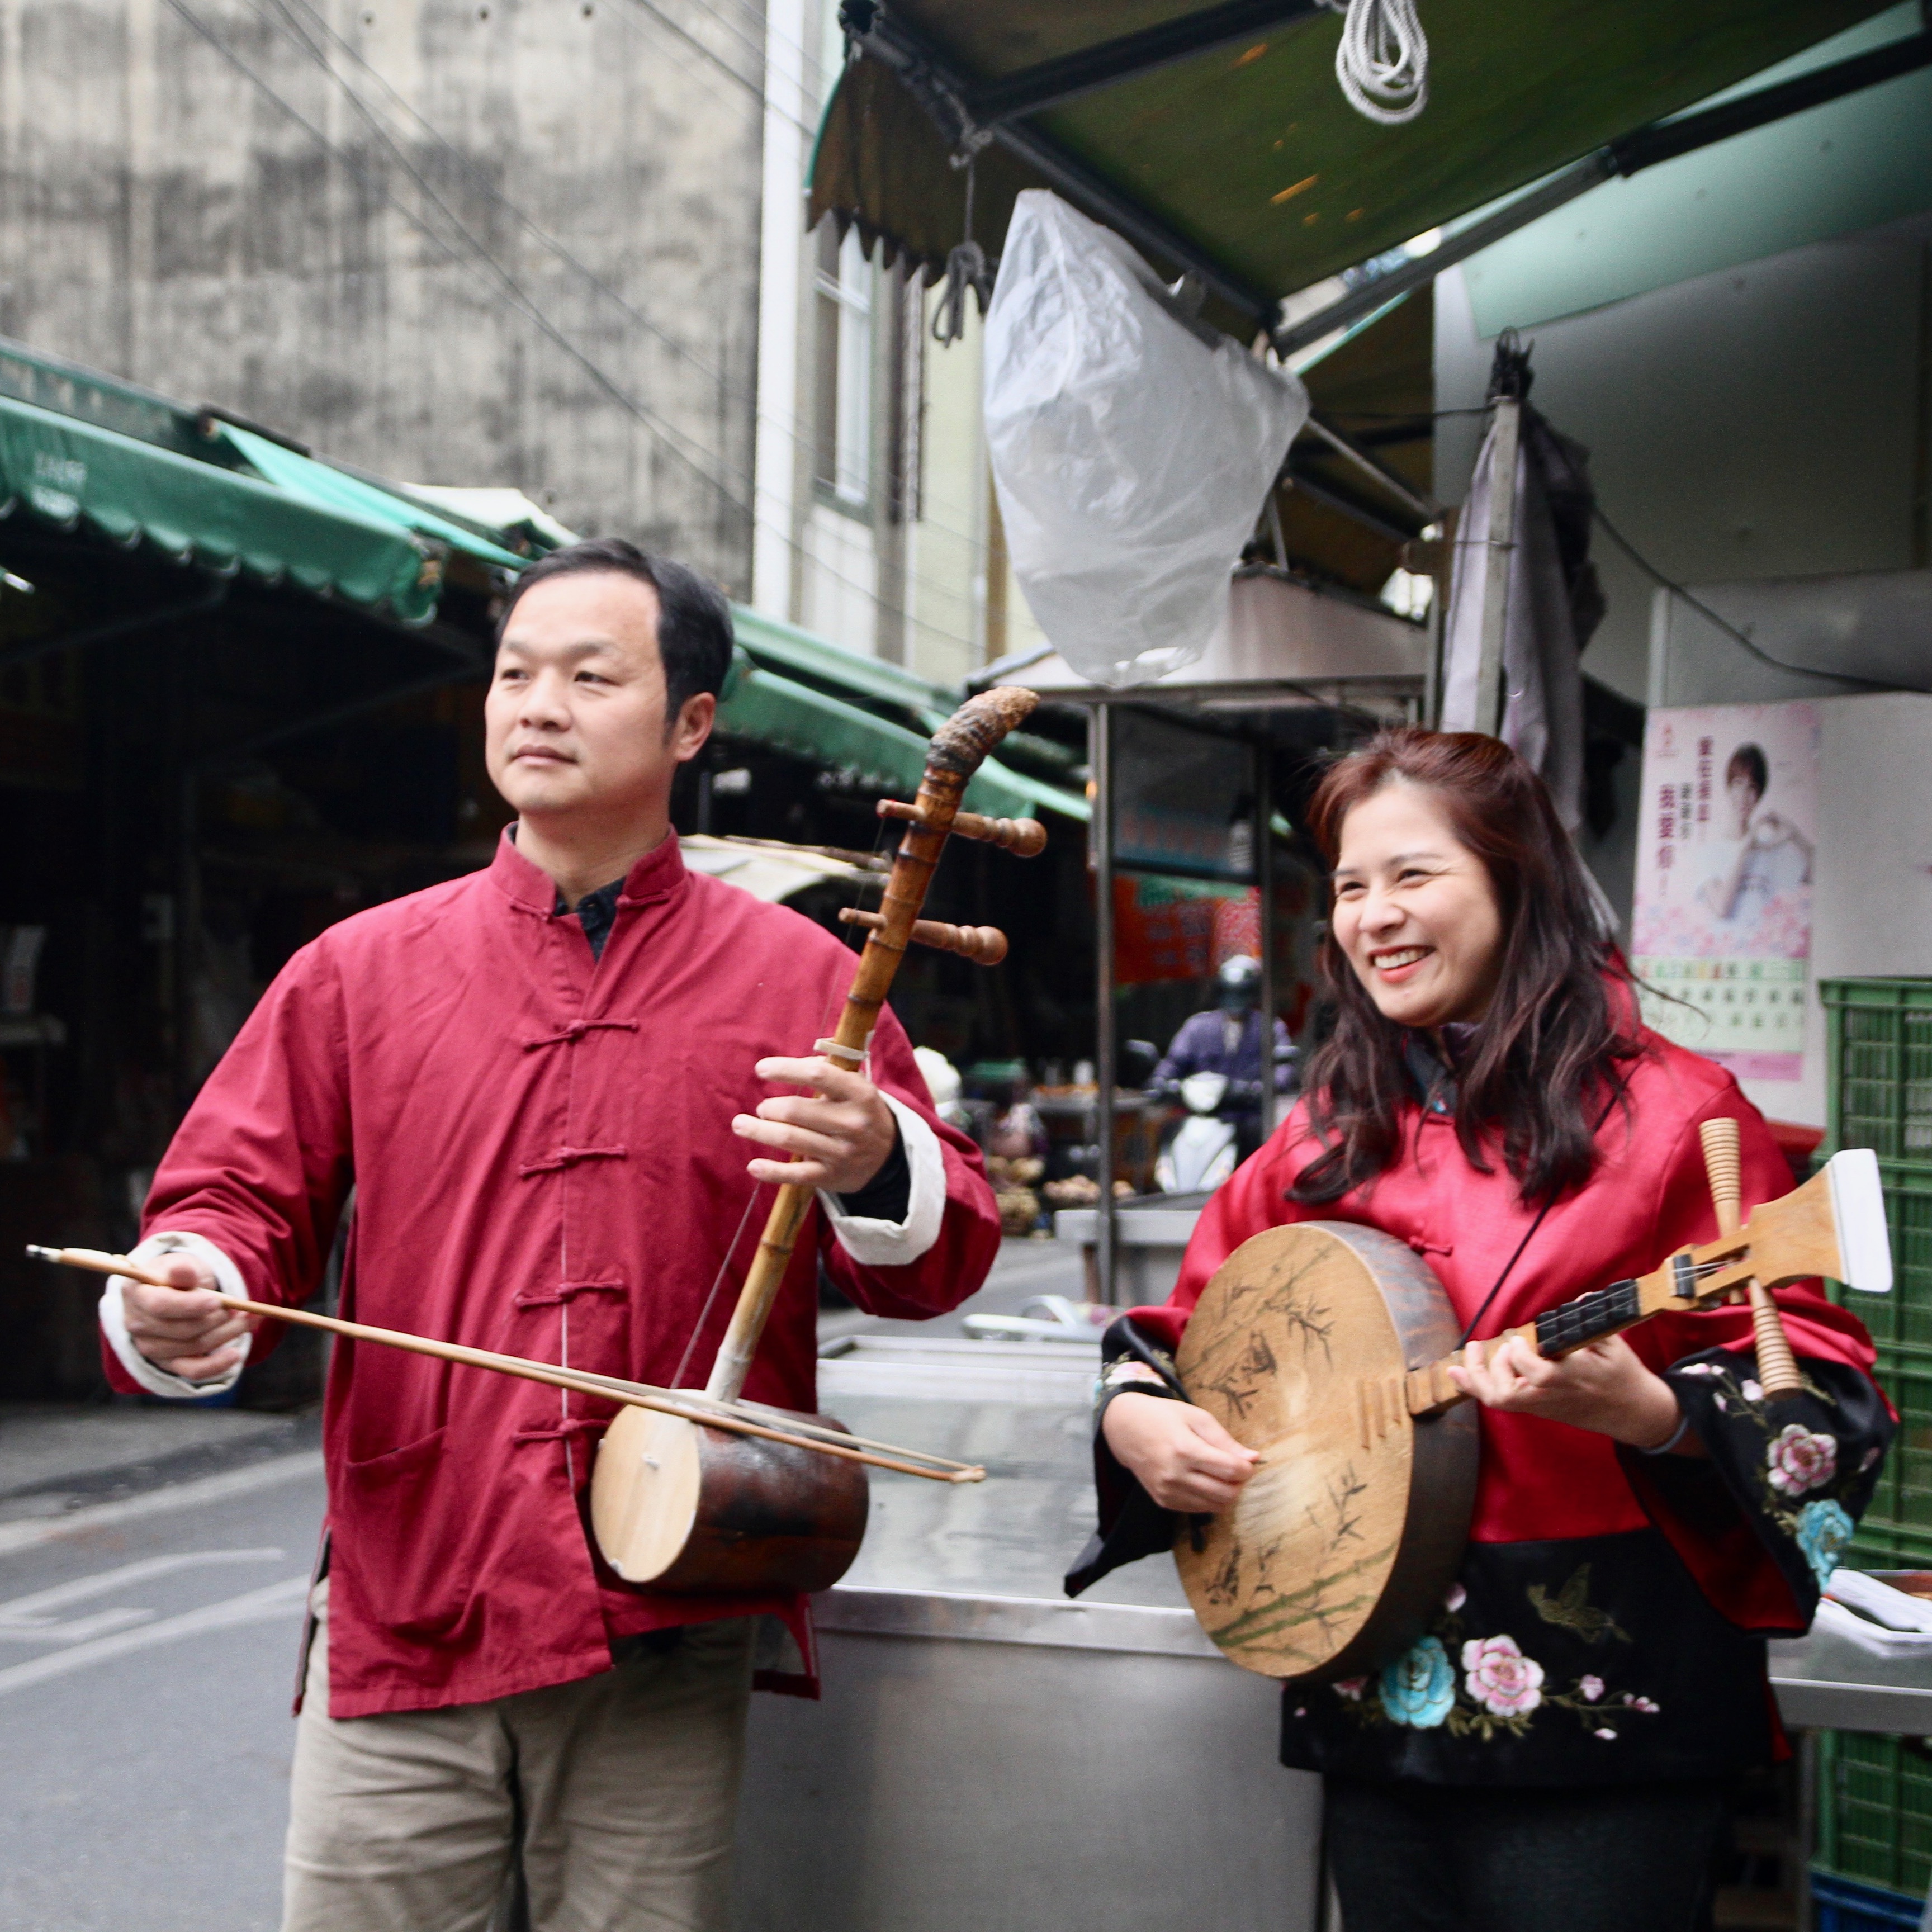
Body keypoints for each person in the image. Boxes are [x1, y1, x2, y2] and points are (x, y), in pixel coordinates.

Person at [100, 538, 1002, 1932]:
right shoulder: (358, 966)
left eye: (591, 676)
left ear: (690, 722)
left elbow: (939, 1259)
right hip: (413, 1585)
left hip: (671, 1584)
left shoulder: (809, 977)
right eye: (515, 673)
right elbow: (235, 1197)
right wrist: (191, 1285)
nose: (537, 705)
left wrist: (879, 1155)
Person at [1070, 728, 1889, 1932]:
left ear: (1518, 882)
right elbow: (1188, 1332)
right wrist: (1137, 1416)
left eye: (1414, 876)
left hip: (1604, 1717)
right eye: (1351, 887)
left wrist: (1650, 1414)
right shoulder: (1329, 1130)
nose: (1374, 916)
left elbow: (1820, 1390)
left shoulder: (1677, 1114)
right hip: (1362, 1674)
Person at [1153, 954, 1297, 1161]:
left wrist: (1260, 1088)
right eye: (1229, 992)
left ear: (1252, 993)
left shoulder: (1270, 1027)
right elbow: (1174, 1062)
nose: (1235, 999)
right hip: (1204, 1115)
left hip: (1247, 1115)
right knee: (1169, 1132)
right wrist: (1161, 1081)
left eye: (1242, 992)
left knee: (1261, 1145)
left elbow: (1284, 1070)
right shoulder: (1198, 1027)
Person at [1697, 742, 1814, 925]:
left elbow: (1816, 874)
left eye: (1752, 787)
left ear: (1759, 794)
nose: (1744, 794)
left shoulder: (1767, 848)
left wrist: (1795, 835)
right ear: (1728, 787)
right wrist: (1745, 848)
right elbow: (1721, 908)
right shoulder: (1709, 852)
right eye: (1738, 784)